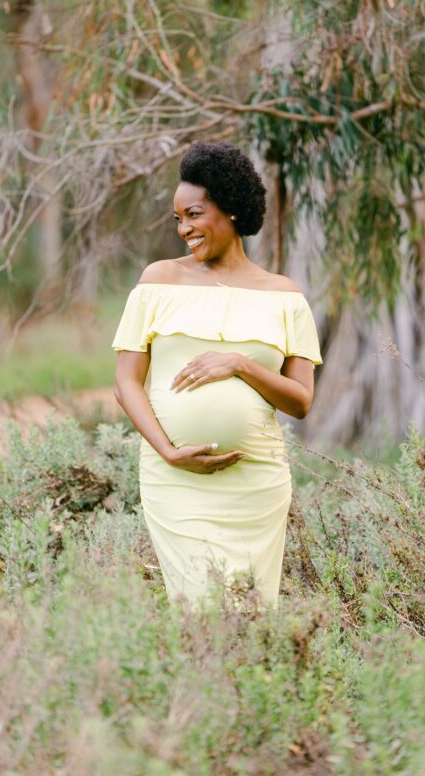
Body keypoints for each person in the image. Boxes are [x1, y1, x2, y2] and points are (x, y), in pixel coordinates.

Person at [112, 141, 322, 607]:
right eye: (178, 219)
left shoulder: (284, 296)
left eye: (194, 214)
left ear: (229, 209)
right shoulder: (157, 281)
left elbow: (301, 402)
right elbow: (126, 383)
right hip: (177, 482)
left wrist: (240, 364)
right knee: (201, 609)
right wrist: (168, 452)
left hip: (256, 484)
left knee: (249, 614)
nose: (184, 229)